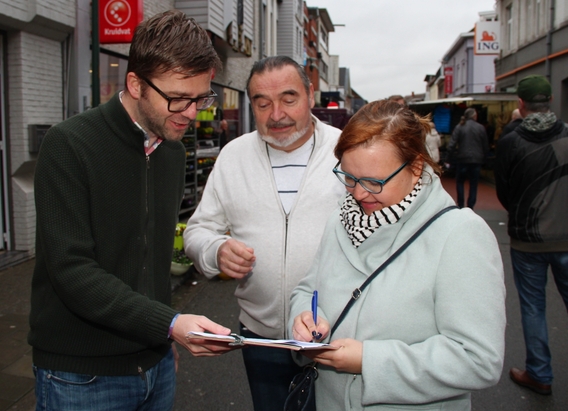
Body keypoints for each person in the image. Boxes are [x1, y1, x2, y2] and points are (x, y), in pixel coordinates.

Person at [29, 11, 233, 411]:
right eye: (177, 97)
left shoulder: (171, 152)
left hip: (156, 365)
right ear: (136, 83)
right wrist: (170, 325)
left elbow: (153, 262)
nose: (191, 113)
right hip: (81, 376)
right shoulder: (68, 145)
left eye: (201, 98)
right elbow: (72, 272)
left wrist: (161, 339)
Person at [289, 100, 506, 410]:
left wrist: (369, 360)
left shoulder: (460, 233)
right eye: (349, 178)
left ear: (416, 166)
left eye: (374, 182)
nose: (359, 193)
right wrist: (302, 318)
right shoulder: (341, 217)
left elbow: (478, 359)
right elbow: (308, 288)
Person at [184, 56, 345, 410]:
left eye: (289, 99)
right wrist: (216, 249)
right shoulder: (233, 157)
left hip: (336, 333)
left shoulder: (347, 152)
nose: (276, 114)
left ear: (310, 95)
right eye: (263, 103)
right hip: (262, 339)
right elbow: (198, 230)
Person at [494, 74, 568, 396]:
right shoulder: (567, 135)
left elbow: (504, 190)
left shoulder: (511, 141)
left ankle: (539, 373)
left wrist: (522, 212)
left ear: (520, 104)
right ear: (550, 100)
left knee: (533, 306)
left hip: (527, 239)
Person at [447, 108, 489, 209]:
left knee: (460, 181)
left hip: (462, 158)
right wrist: (485, 158)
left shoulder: (460, 127)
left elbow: (452, 144)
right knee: (473, 183)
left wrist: (448, 158)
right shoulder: (481, 128)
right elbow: (485, 145)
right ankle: (471, 205)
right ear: (475, 116)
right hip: (476, 159)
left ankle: (461, 203)